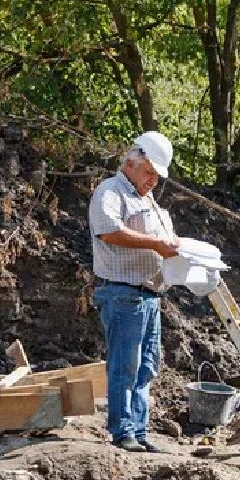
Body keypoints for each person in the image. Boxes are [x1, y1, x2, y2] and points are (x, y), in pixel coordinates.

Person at [89, 131, 181, 453]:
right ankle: (123, 431)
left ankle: (139, 432)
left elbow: (165, 242)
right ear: (132, 161)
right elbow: (109, 231)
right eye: (149, 172)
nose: (153, 179)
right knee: (124, 366)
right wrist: (156, 244)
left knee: (146, 367)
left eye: (157, 175)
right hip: (124, 294)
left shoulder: (148, 201)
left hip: (150, 296)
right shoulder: (110, 192)